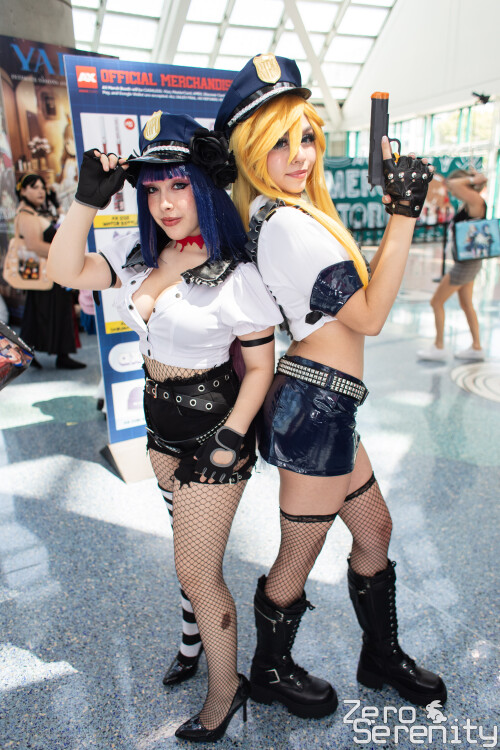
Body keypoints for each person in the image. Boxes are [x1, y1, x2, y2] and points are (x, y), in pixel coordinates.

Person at [214, 54, 447, 716]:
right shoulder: (286, 223)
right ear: (249, 152)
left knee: (375, 530)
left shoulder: (292, 213)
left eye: (306, 137)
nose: (299, 155)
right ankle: (270, 670)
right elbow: (369, 317)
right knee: (300, 553)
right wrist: (403, 213)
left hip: (328, 404)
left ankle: (381, 657)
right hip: (314, 409)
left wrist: (395, 211)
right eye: (278, 143)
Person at [47, 112, 282, 741]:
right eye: (152, 190)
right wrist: (85, 201)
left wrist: (231, 439)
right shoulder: (138, 254)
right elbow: (63, 271)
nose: (165, 204)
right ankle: (190, 644)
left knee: (197, 571)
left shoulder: (236, 273)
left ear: (205, 187)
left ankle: (226, 692)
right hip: (160, 432)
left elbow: (261, 367)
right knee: (186, 550)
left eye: (179, 186)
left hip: (215, 435)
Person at [15, 173, 85, 369]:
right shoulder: (26, 215)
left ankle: (47, 354)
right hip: (45, 273)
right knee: (44, 314)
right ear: (23, 190)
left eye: (42, 188)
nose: (41, 192)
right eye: (35, 187)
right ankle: (44, 355)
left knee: (43, 313)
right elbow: (34, 245)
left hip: (48, 272)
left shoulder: (34, 213)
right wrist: (64, 252)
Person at [417, 169, 487, 361]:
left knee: (436, 302)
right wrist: (472, 179)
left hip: (465, 265)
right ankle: (477, 347)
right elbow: (453, 184)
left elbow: (452, 183)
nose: (452, 192)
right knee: (466, 304)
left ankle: (439, 347)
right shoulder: (469, 204)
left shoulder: (476, 202)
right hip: (468, 263)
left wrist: (472, 179)